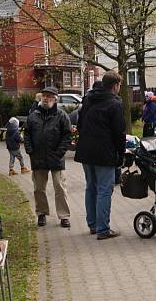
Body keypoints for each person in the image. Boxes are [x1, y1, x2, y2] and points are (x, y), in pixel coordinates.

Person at [75, 71, 125, 239]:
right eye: (119, 86)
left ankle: (93, 224)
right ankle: (103, 228)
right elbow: (119, 132)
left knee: (91, 187)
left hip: (86, 150)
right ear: (115, 86)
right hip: (104, 151)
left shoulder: (88, 99)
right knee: (105, 189)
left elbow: (80, 123)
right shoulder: (115, 103)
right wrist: (121, 153)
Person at [26, 86, 73, 228]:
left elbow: (67, 135)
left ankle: (64, 216)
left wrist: (60, 152)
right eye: (44, 96)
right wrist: (30, 151)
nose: (45, 98)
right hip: (38, 157)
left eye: (49, 96)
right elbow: (27, 134)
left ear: (55, 99)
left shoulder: (61, 115)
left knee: (60, 187)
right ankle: (41, 213)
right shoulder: (33, 115)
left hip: (56, 157)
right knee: (39, 188)